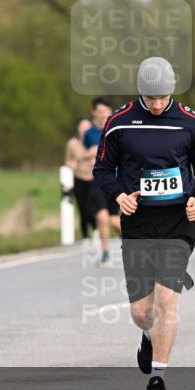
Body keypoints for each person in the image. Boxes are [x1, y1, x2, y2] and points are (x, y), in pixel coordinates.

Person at [93, 57, 195, 390]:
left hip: (178, 222)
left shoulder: (191, 122)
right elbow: (102, 169)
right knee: (142, 312)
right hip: (138, 223)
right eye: (151, 98)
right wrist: (118, 195)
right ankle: (147, 335)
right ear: (140, 93)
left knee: (166, 300)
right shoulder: (118, 123)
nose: (158, 104)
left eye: (164, 97)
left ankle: (158, 379)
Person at [84, 97, 117, 266]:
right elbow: (86, 154)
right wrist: (90, 155)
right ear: (94, 112)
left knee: (115, 221)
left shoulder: (117, 128)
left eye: (106, 111)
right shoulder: (89, 133)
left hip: (117, 180)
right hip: (97, 180)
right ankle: (105, 253)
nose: (103, 114)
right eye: (100, 111)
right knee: (102, 218)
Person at [65, 116, 99, 239]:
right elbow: (68, 160)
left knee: (91, 207)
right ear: (78, 129)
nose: (84, 130)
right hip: (79, 178)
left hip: (94, 178)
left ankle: (96, 228)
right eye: (82, 127)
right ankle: (85, 235)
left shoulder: (96, 141)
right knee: (82, 207)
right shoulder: (72, 143)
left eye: (87, 127)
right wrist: (71, 164)